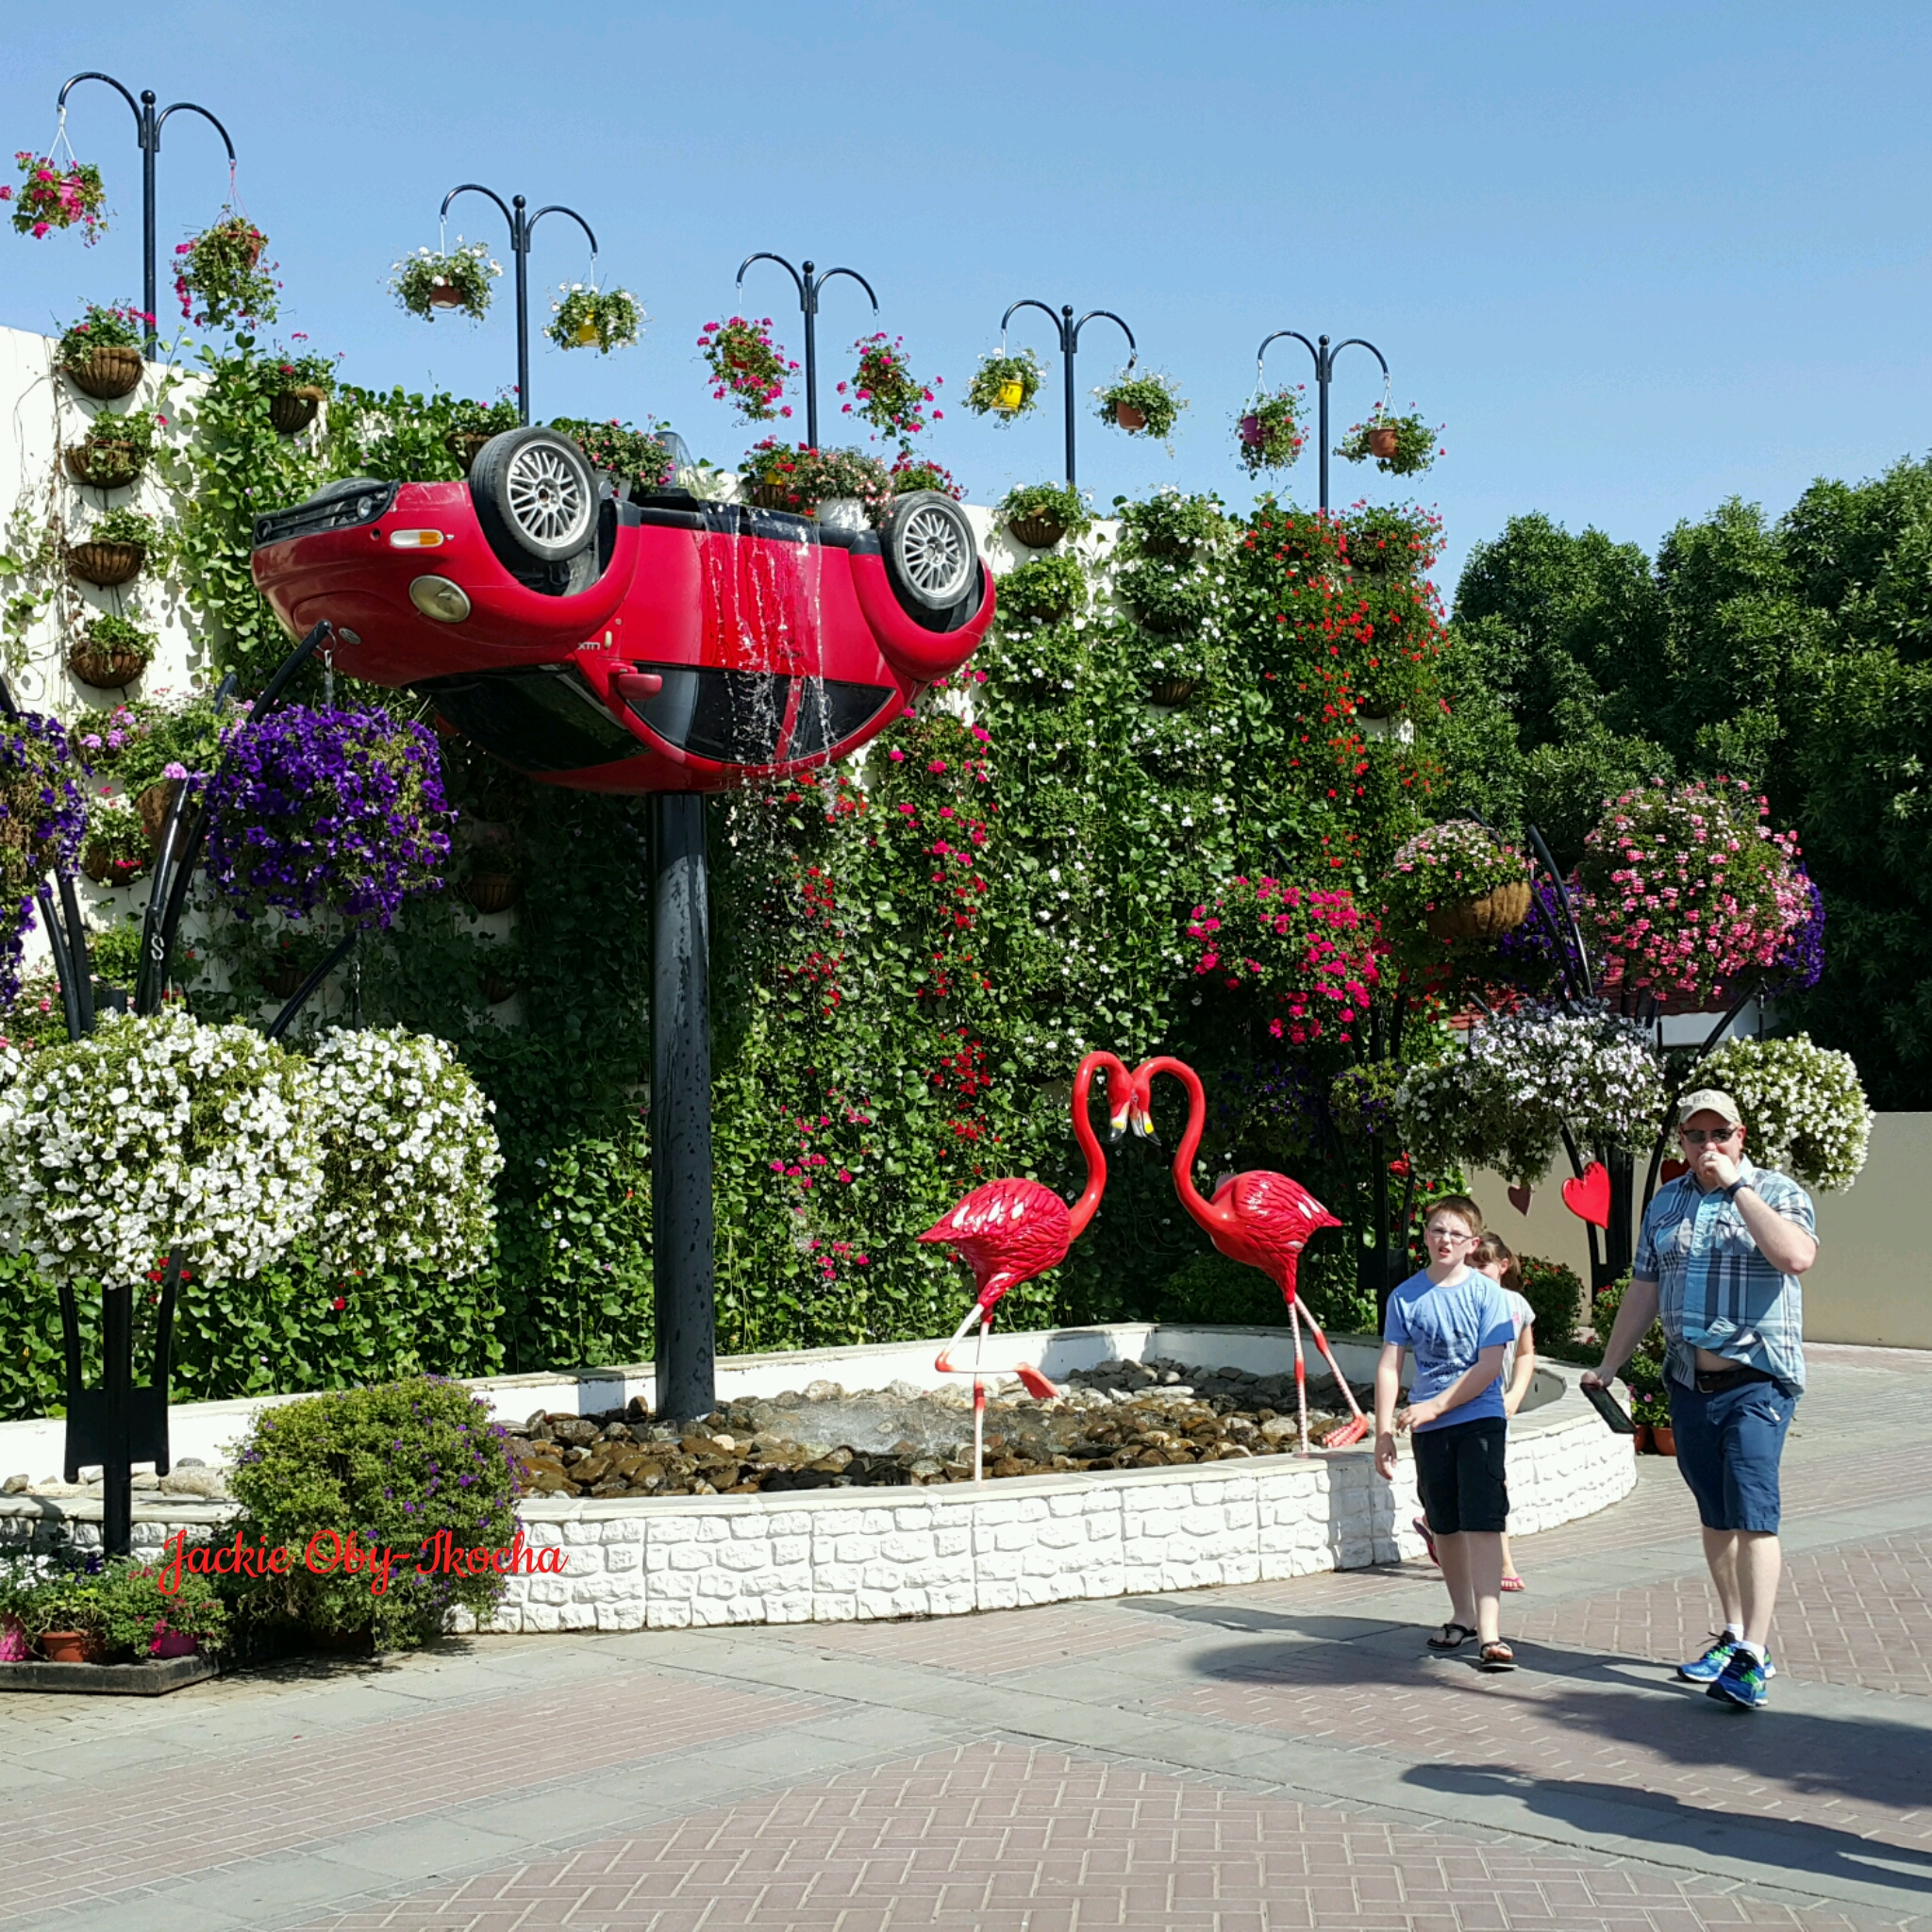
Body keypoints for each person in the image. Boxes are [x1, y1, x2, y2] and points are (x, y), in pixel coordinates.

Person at [1584, 1088, 1818, 1712]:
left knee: (1754, 1512)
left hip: (1758, 1381)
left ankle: (1754, 1658)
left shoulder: (1777, 1192)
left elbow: (1796, 1256)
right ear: (1682, 1142)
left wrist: (1737, 1188)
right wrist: (1609, 1364)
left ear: (1741, 1136)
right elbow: (1644, 1289)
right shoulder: (1667, 1202)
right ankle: (1735, 1634)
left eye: (1720, 1134)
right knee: (1716, 1515)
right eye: (1696, 1135)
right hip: (1689, 1382)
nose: (1707, 1146)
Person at [1375, 1194, 1518, 1672]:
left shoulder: (1488, 1295)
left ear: (1472, 1243)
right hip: (1429, 1428)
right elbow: (1390, 1365)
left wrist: (1435, 1406)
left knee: (1483, 1521)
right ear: (1426, 1235)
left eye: (1456, 1234)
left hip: (1479, 1420)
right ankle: (1463, 1616)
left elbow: (1490, 1365)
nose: (1445, 1240)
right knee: (1446, 1523)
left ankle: (1491, 1633)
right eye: (1438, 1230)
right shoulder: (1405, 1296)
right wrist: (1382, 1432)